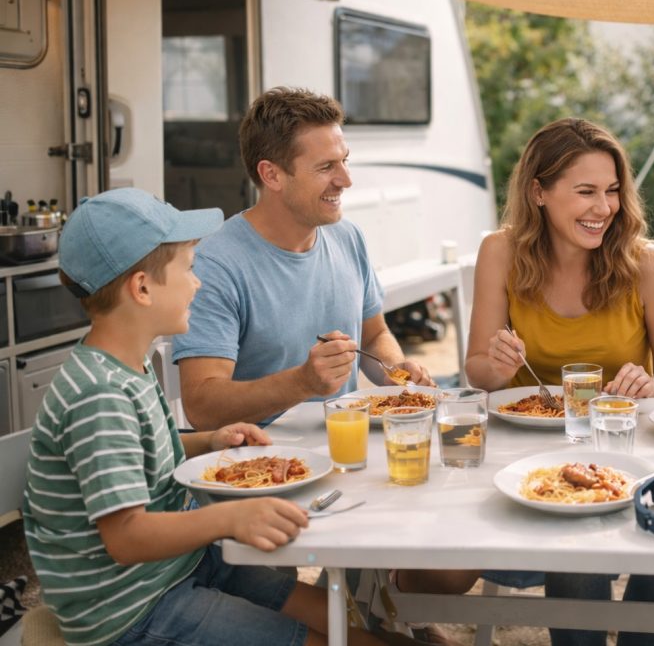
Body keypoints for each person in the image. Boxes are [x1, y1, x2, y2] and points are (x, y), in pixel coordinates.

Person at [21, 188, 399, 646]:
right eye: (188, 269)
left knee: (345, 617)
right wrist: (230, 521)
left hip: (180, 566)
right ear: (141, 288)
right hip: (133, 608)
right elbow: (126, 536)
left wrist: (211, 441)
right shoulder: (99, 394)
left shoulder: (126, 365)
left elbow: (140, 452)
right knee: (335, 638)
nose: (197, 284)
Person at [459, 117, 654, 646]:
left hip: (624, 445)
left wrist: (648, 385)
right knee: (574, 535)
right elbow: (477, 368)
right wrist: (495, 366)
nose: (604, 208)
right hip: (529, 453)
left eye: (612, 191)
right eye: (585, 191)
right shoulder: (500, 251)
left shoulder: (647, 263)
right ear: (538, 192)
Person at [173, 87, 432, 430]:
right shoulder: (216, 265)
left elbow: (373, 335)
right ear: (272, 175)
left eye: (345, 161)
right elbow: (202, 408)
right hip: (256, 470)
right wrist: (302, 383)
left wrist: (397, 372)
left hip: (346, 456)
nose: (346, 180)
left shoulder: (348, 237)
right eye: (326, 167)